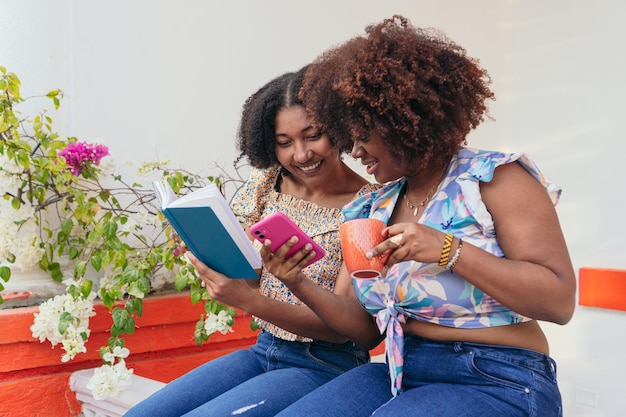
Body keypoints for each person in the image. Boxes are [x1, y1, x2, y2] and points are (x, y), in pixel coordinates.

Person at [264, 16, 577, 417]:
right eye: (346, 137)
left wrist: (449, 249)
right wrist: (297, 281)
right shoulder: (370, 207)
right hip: (401, 369)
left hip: (497, 374)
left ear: (401, 119)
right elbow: (360, 327)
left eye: (362, 133)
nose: (354, 151)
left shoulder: (493, 179)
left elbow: (559, 301)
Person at [124, 67, 379, 417]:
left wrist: (246, 299)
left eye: (313, 135)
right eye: (284, 143)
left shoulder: (369, 206)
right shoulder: (267, 183)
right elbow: (252, 276)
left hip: (324, 364)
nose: (301, 154)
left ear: (337, 128)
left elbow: (342, 331)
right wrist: (209, 252)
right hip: (263, 350)